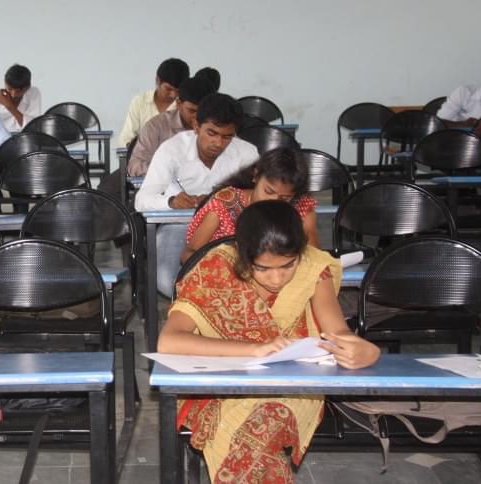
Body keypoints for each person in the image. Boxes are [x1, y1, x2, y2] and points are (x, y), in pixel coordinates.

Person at [158, 200, 380, 483]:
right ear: (241, 255)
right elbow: (169, 341)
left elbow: (339, 334)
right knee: (251, 440)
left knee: (263, 423)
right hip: (223, 388)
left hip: (293, 388)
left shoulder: (313, 268)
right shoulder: (215, 268)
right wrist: (252, 350)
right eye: (262, 268)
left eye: (288, 265)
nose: (276, 278)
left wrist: (365, 351)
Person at [135, 92, 258, 297]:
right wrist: (172, 202)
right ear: (196, 126)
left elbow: (258, 197)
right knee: (169, 281)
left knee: (249, 279)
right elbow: (141, 200)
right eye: (211, 133)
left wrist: (220, 200)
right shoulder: (171, 150)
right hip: (179, 225)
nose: (218, 143)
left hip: (231, 227)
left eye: (227, 136)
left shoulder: (247, 153)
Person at [181, 147, 319, 263]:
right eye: (268, 191)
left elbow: (314, 258)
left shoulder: (301, 207)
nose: (274, 201)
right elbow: (188, 256)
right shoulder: (224, 205)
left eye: (285, 198)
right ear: (256, 175)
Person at [128, 76, 216, 177]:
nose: (198, 116)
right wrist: (169, 173)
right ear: (179, 104)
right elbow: (135, 165)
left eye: (204, 111)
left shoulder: (221, 127)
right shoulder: (157, 126)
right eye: (192, 111)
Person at [118, 58, 190, 147]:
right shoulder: (140, 102)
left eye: (177, 91)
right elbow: (126, 138)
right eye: (168, 89)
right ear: (157, 80)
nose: (173, 95)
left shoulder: (186, 107)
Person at [0, 64, 42, 132]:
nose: (13, 95)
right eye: (9, 89)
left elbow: (33, 127)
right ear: (4, 83)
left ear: (28, 87)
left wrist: (10, 106)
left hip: (25, 137)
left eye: (18, 91)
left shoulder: (33, 93)